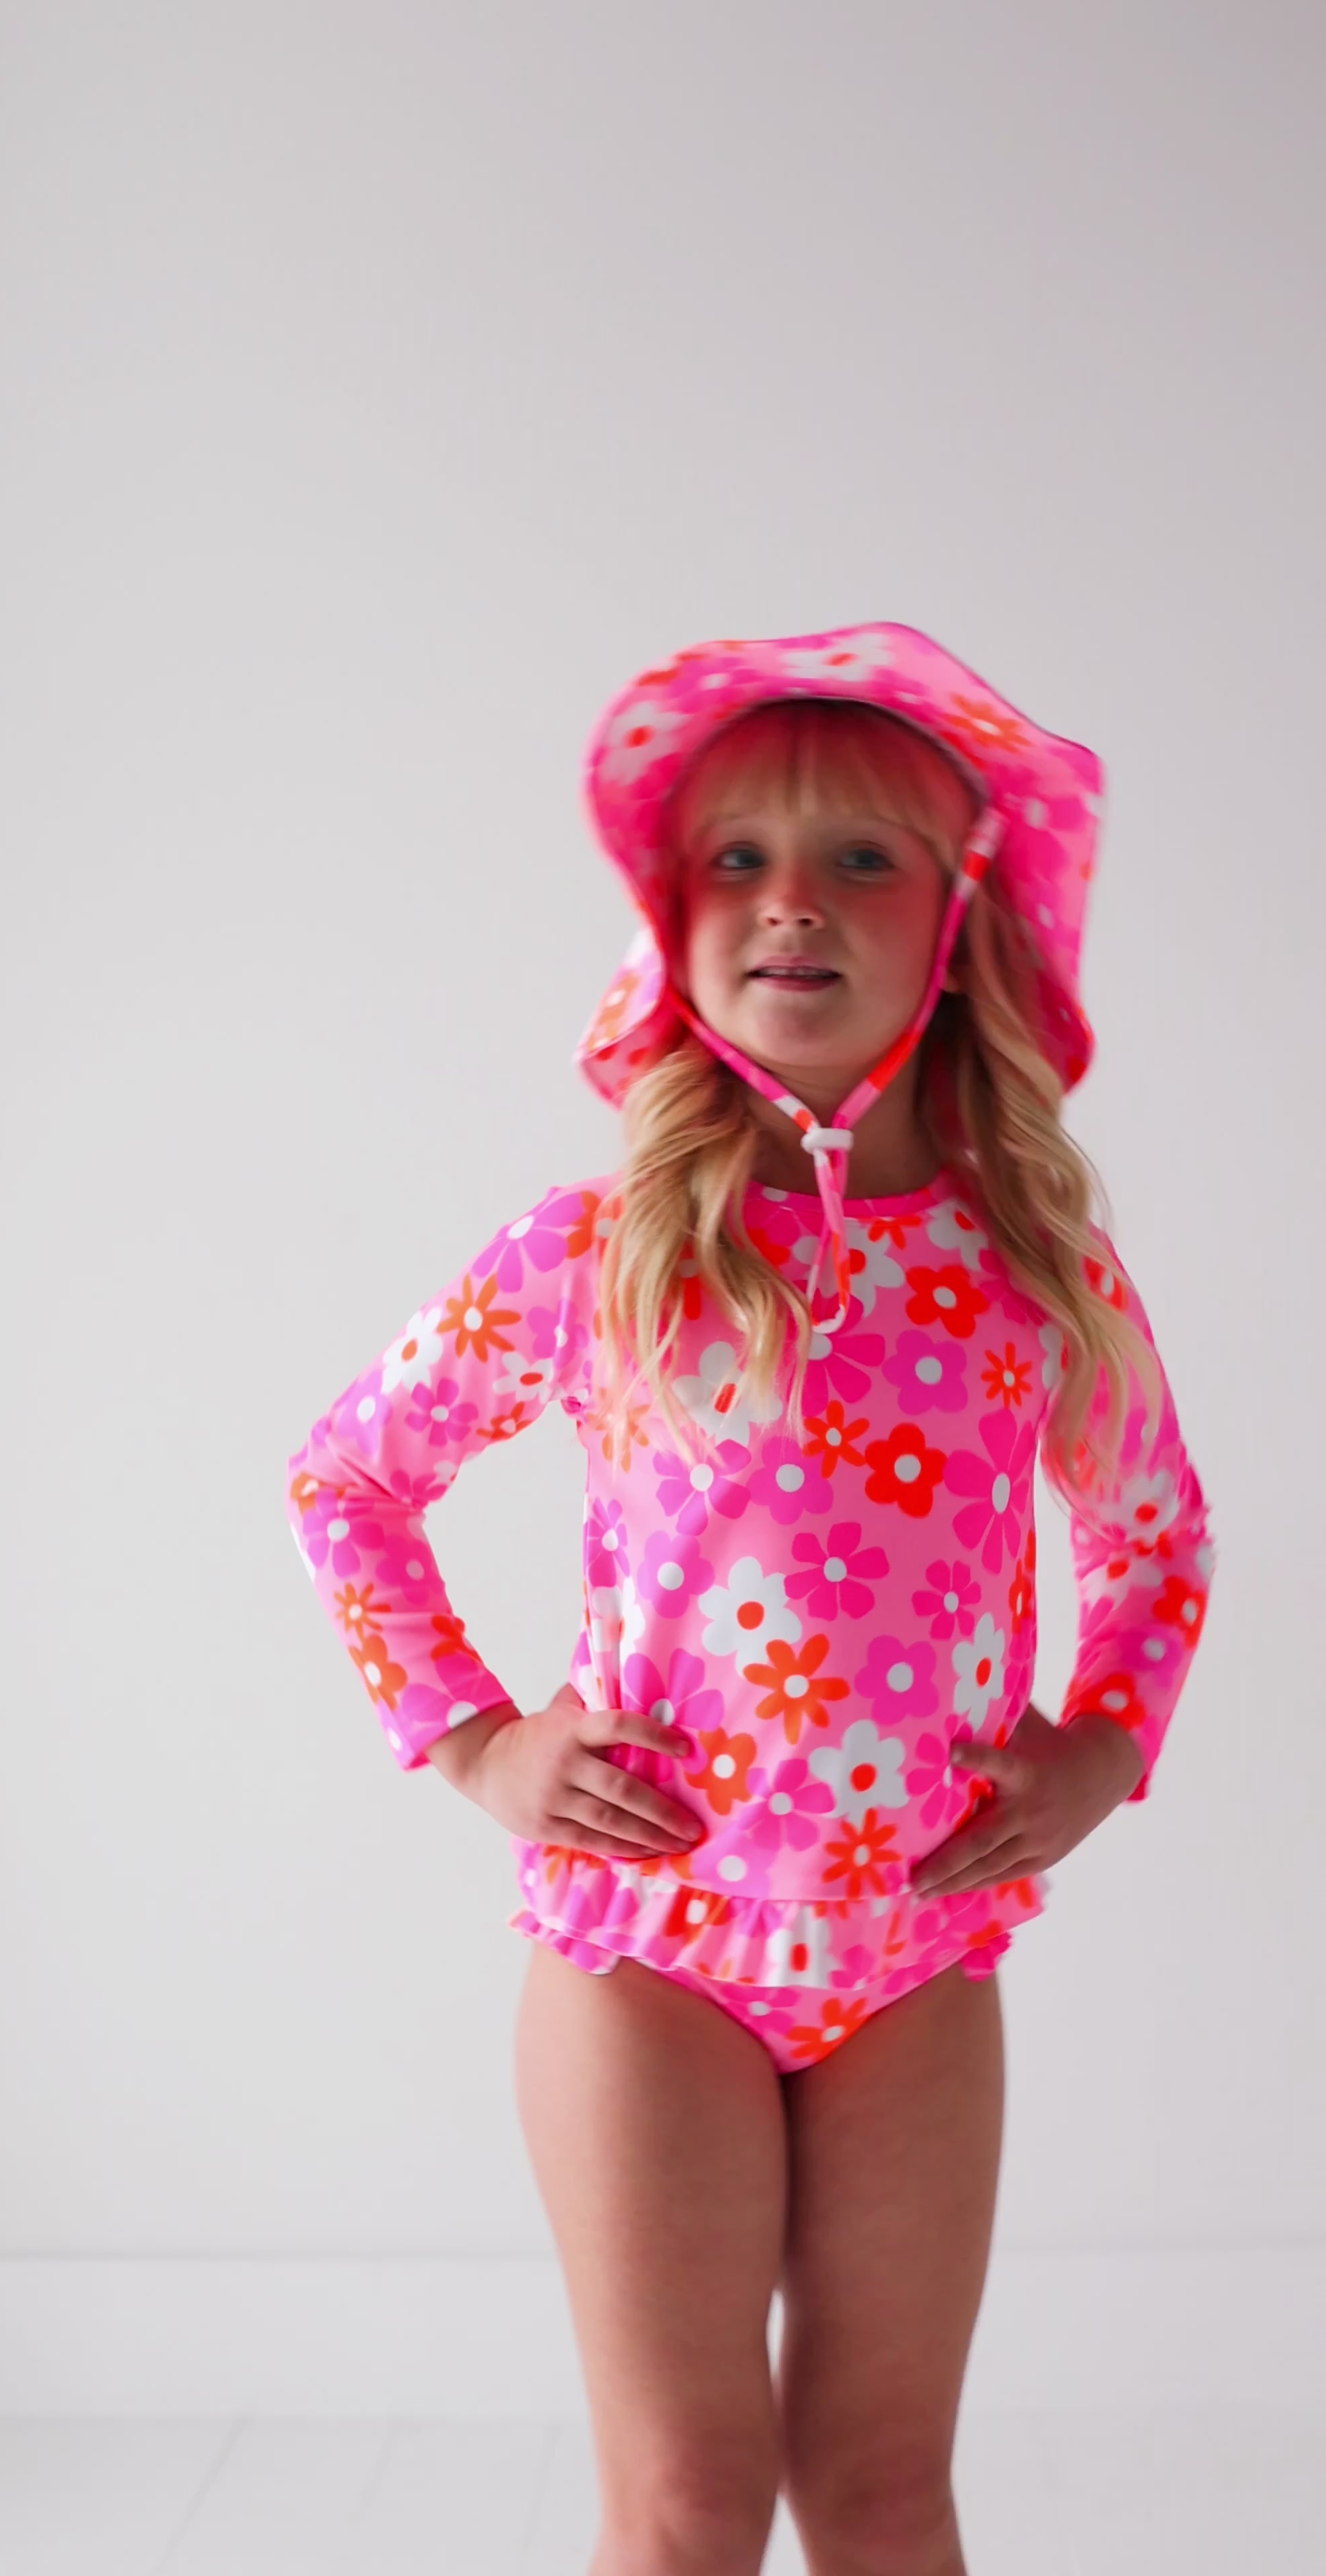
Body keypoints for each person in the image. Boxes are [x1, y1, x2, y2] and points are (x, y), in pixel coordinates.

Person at [284, 621, 1213, 2576]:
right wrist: (475, 1737)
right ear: (669, 921)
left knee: (884, 2502)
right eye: (739, 859)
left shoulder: (1030, 1271)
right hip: (652, 1943)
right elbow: (351, 1475)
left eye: (861, 857)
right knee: (691, 2502)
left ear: (957, 925)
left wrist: (1107, 1739)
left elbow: (1157, 1536)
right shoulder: (603, 1252)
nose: (793, 900)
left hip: (914, 1955)